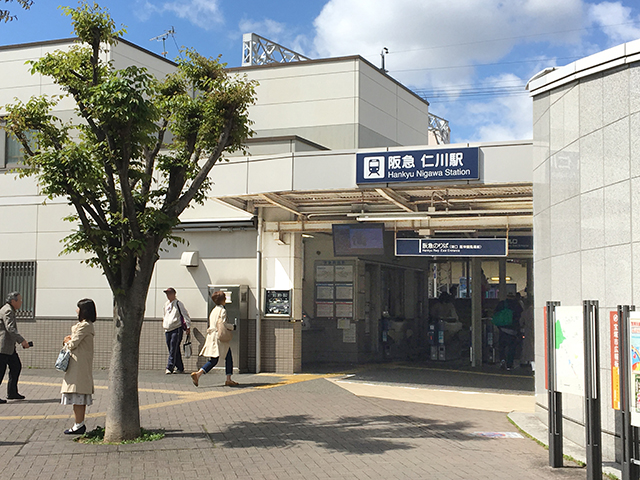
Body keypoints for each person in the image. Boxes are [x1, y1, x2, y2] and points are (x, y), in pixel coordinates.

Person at [61, 298, 96, 435]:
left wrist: (66, 341)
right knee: (77, 396)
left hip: (79, 366)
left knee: (78, 395)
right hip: (78, 365)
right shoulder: (84, 325)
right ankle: (78, 424)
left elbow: (72, 343)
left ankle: (79, 425)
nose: (76, 310)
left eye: (79, 308)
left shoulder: (85, 326)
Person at [190, 290, 238, 387]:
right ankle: (227, 379)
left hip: (212, 336)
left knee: (215, 359)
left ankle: (198, 374)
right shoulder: (222, 310)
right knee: (227, 358)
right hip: (219, 338)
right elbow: (223, 325)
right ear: (223, 300)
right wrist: (232, 326)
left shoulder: (214, 310)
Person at [0, 292, 31, 402]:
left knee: (16, 366)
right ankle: (12, 392)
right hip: (3, 347)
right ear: (13, 301)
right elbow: (10, 328)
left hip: (8, 347)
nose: (21, 302)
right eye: (20, 300)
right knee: (1, 371)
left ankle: (12, 392)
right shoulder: (8, 310)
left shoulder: (8, 309)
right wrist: (22, 340)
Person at [162, 287, 191, 374]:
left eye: (170, 293)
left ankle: (170, 367)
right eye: (167, 293)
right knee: (173, 348)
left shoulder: (178, 303)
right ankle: (180, 367)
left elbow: (185, 315)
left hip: (176, 328)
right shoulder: (166, 304)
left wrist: (188, 326)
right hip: (168, 329)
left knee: (173, 347)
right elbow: (164, 315)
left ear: (174, 294)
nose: (168, 295)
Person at [494, 293, 524, 370]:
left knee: (502, 346)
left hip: (502, 328)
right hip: (513, 329)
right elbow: (520, 316)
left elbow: (495, 313)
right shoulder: (517, 305)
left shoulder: (502, 304)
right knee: (512, 347)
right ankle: (509, 364)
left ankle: (502, 360)